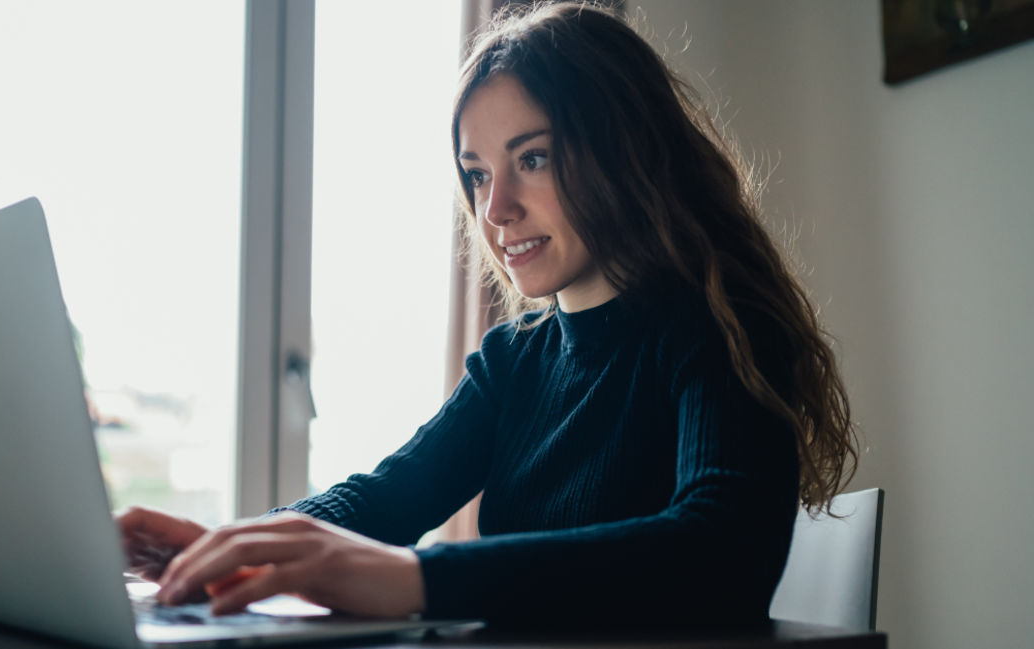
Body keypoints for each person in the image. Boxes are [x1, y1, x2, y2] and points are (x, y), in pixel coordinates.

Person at [117, 1, 859, 628]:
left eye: (531, 159)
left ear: (623, 151)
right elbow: (388, 497)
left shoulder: (723, 325)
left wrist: (418, 578)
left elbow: (719, 552)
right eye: (477, 175)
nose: (495, 209)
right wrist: (230, 545)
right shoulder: (514, 359)